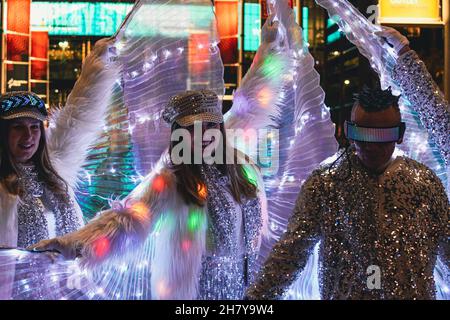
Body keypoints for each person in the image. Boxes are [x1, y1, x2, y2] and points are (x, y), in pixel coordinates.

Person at [31, 90, 268, 300]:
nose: (205, 134)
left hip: (246, 286)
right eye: (195, 127)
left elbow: (254, 104)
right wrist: (71, 244)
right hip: (198, 292)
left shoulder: (241, 169)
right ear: (180, 134)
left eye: (211, 125)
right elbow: (127, 221)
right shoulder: (170, 179)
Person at [246, 86, 449, 300]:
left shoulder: (424, 184)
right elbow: (291, 252)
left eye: (382, 136)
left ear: (400, 134)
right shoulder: (326, 182)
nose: (371, 146)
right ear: (348, 130)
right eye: (362, 134)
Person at [0, 37, 118, 248]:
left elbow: (76, 121)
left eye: (34, 127)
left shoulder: (54, 172)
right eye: (18, 127)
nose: (28, 136)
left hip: (68, 280)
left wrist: (98, 66)